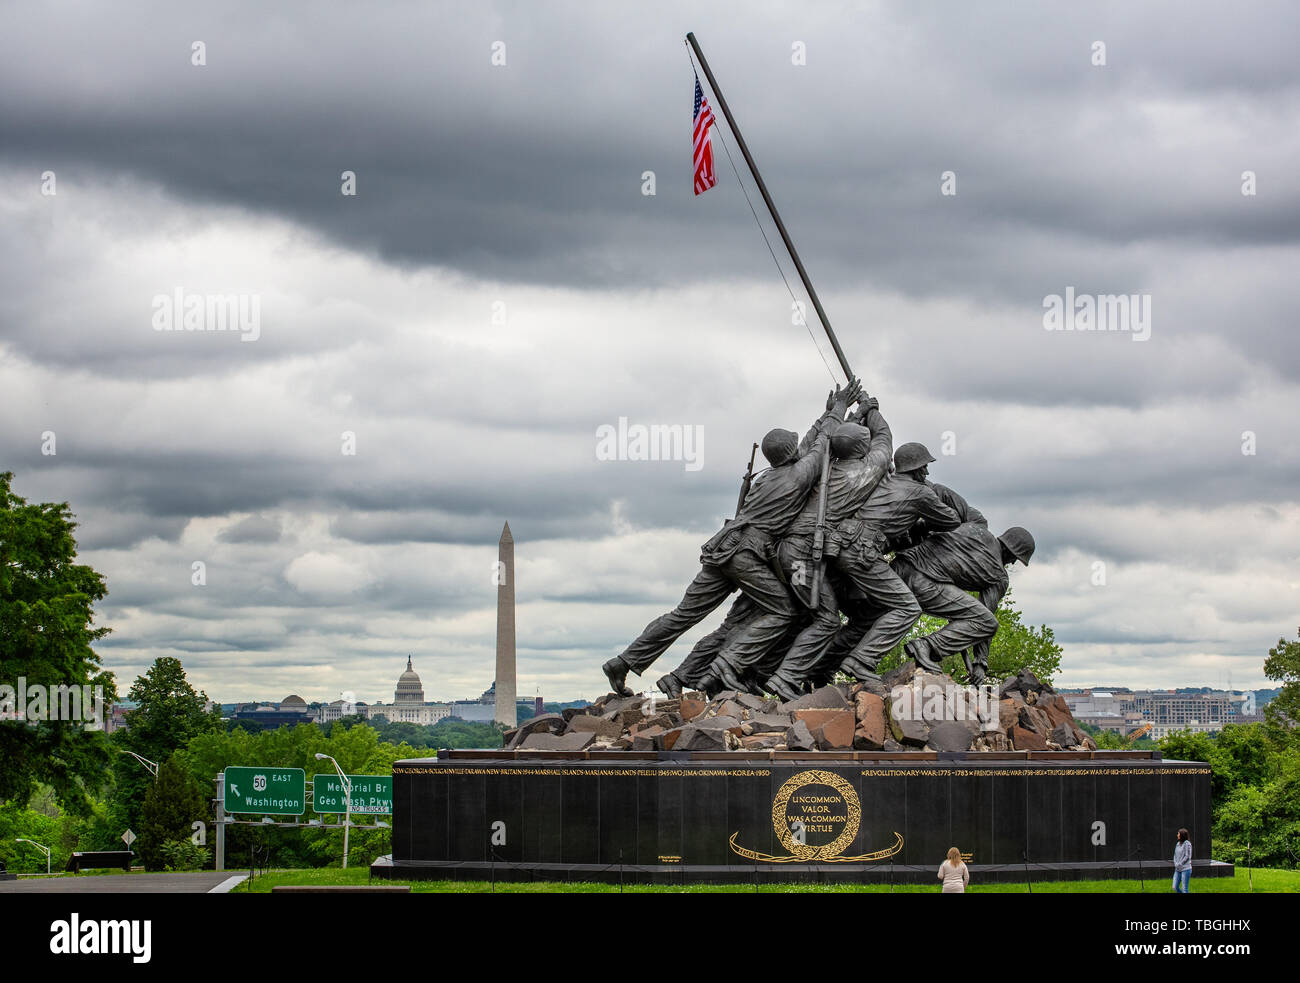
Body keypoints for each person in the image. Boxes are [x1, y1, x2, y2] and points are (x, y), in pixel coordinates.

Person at [602, 380, 861, 697]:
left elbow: (810, 444)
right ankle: (729, 665)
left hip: (723, 547)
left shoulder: (769, 475)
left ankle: (624, 661)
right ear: (791, 453)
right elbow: (820, 445)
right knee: (783, 611)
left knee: (683, 615)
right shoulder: (799, 474)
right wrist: (839, 408)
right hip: (747, 553)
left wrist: (827, 413)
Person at [1173, 828, 1192, 893]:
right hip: (1177, 869)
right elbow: (1175, 855)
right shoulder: (1178, 843)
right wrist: (1175, 863)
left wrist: (1180, 863)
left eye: (1178, 834)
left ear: (1182, 835)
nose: (1177, 835)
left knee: (1184, 889)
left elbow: (1187, 856)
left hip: (1186, 869)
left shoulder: (1187, 844)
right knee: (1175, 887)